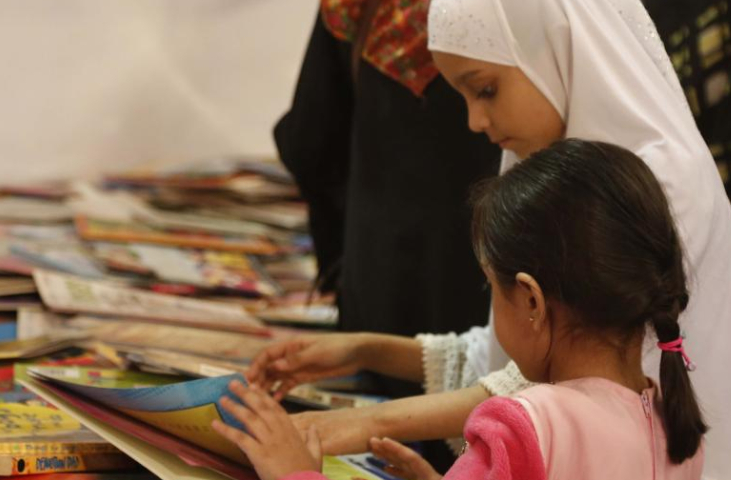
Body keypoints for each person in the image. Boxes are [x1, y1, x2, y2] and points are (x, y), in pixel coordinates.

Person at [247, 0, 731, 477]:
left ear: (550, 50)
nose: (475, 122)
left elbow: (560, 376)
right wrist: (364, 349)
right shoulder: (559, 166)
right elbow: (516, 350)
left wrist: (347, 431)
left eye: (486, 90)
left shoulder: (656, 185)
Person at [214, 139, 706, 480]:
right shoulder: (675, 424)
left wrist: (295, 472)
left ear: (532, 300)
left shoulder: (524, 424)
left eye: (490, 284)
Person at [274, 0, 499, 399]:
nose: (476, 118)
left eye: (486, 92)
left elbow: (310, 143)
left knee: (380, 441)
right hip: (495, 289)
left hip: (381, 283)